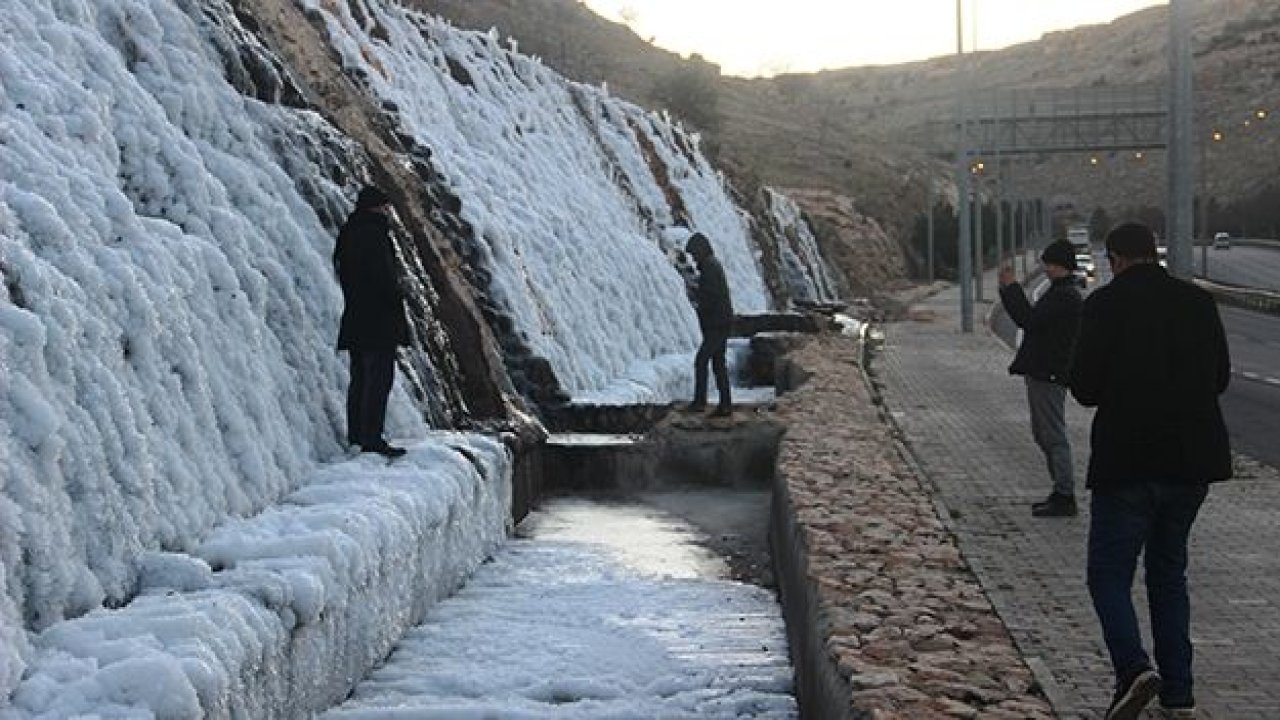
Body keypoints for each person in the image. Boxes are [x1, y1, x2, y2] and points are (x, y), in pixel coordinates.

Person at [1070, 222, 1231, 720]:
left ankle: (1132, 668)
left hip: (1127, 463)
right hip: (1190, 463)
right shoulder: (1198, 303)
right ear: (1152, 255)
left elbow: (1085, 389)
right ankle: (1179, 695)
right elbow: (1220, 378)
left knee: (1108, 575)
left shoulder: (1102, 305)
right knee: (1168, 575)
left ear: (1116, 258)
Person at [997, 239, 1083, 517]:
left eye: (1049, 264)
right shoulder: (1061, 292)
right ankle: (1060, 490)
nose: (1045, 269)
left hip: (1049, 372)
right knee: (1043, 432)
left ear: (1060, 266)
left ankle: (1064, 494)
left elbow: (1028, 319)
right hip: (1044, 371)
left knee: (1052, 434)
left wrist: (1011, 288)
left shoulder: (1064, 296)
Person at [333, 185, 409, 458]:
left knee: (360, 379)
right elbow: (384, 278)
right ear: (377, 208)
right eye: (386, 207)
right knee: (378, 381)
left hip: (355, 317)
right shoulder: (375, 235)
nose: (388, 213)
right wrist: (399, 295)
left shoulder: (348, 232)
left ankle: (357, 434)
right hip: (378, 322)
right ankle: (372, 438)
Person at [684, 232, 733, 417]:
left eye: (695, 254)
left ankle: (700, 402)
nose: (694, 259)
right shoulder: (712, 264)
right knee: (718, 364)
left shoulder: (710, 267)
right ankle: (725, 404)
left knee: (702, 361)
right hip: (722, 322)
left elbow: (710, 297)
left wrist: (695, 296)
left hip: (717, 324)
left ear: (701, 251)